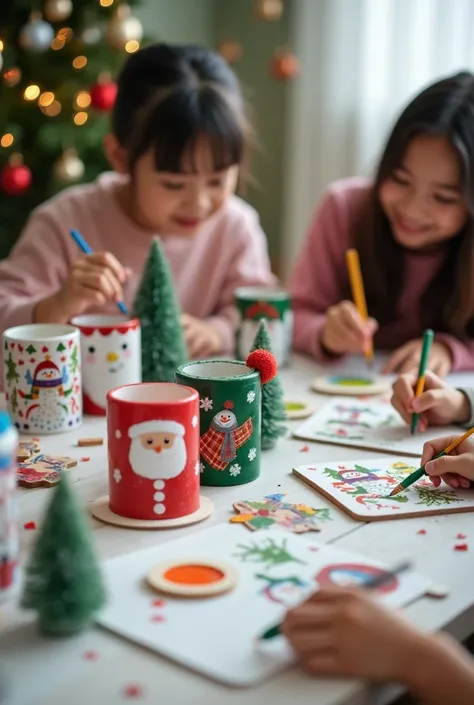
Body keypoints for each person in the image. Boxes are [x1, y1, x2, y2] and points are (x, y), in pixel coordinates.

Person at [0, 43, 275, 361]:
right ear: (119, 156)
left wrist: (218, 330)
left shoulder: (236, 226)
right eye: (174, 184)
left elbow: (259, 312)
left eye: (217, 181)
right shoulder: (65, 221)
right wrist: (57, 305)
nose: (199, 203)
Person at [289, 71, 474, 374]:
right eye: (400, 179)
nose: (413, 210)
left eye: (443, 198)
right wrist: (325, 332)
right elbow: (293, 313)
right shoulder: (344, 208)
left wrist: (451, 350)